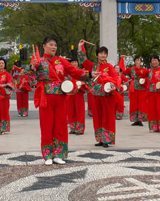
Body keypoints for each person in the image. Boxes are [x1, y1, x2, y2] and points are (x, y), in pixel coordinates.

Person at [31, 37, 87, 165]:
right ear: (44, 46)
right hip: (46, 98)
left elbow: (74, 71)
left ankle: (58, 154)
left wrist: (88, 75)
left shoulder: (61, 61)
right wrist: (32, 67)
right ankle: (48, 156)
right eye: (51, 45)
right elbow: (30, 77)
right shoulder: (39, 61)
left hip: (61, 97)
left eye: (55, 45)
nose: (53, 47)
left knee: (61, 126)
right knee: (46, 126)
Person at [78, 40, 119, 147]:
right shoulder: (93, 66)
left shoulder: (109, 67)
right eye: (101, 53)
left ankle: (107, 139)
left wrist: (113, 85)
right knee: (97, 117)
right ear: (97, 55)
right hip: (96, 95)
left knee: (107, 117)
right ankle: (100, 139)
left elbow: (116, 79)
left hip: (107, 96)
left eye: (105, 53)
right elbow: (83, 61)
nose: (103, 55)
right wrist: (80, 47)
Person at [136, 55, 160, 134]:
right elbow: (140, 74)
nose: (154, 62)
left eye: (155, 60)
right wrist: (138, 66)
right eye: (152, 60)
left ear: (158, 61)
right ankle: (154, 127)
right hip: (151, 93)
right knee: (152, 110)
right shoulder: (149, 71)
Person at [124, 56, 148, 126]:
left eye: (139, 60)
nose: (138, 62)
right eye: (136, 60)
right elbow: (123, 70)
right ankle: (135, 119)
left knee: (141, 103)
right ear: (134, 61)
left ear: (141, 62)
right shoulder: (131, 69)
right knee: (134, 103)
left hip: (142, 88)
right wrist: (122, 59)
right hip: (134, 88)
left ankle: (140, 119)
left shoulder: (144, 70)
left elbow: (148, 76)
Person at [66, 55, 86, 135]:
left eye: (75, 62)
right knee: (71, 111)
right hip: (70, 94)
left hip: (78, 94)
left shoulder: (81, 72)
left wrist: (81, 83)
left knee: (79, 111)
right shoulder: (67, 73)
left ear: (78, 63)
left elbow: (86, 82)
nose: (74, 63)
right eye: (72, 62)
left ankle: (80, 129)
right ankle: (73, 128)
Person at [0, 57, 14, 134]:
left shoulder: (7, 74)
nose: (1, 64)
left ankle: (4, 127)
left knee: (4, 111)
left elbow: (11, 83)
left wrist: (5, 85)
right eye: (0, 63)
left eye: (3, 63)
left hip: (4, 95)